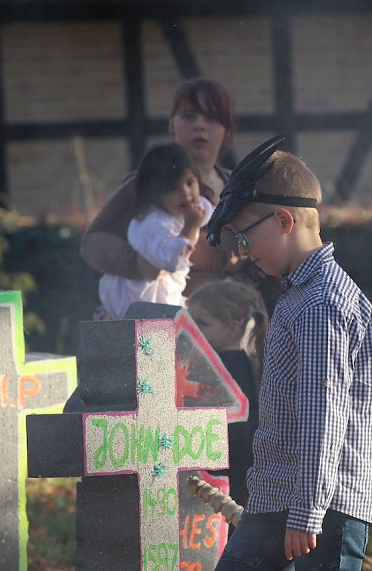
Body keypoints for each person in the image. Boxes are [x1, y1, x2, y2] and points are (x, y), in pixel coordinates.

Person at [207, 136, 372, 571]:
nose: (243, 252)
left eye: (245, 236)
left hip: (321, 506)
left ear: (284, 220)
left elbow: (321, 412)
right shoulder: (298, 295)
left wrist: (308, 511)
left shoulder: (320, 304)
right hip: (281, 495)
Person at [81, 78, 265, 300]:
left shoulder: (243, 190)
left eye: (212, 118)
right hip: (162, 318)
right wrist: (139, 264)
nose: (200, 125)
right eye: (189, 116)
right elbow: (93, 241)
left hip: (230, 321)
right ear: (171, 124)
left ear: (227, 129)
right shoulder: (145, 184)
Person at [97, 143, 210, 319]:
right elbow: (170, 261)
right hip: (142, 302)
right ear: (154, 193)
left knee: (183, 326)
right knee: (152, 344)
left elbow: (210, 210)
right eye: (173, 188)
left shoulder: (186, 208)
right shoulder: (152, 223)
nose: (185, 193)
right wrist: (190, 229)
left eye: (190, 183)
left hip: (166, 295)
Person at [188, 279, 268, 507]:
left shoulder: (227, 367)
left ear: (234, 326)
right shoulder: (246, 362)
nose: (193, 331)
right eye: (190, 322)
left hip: (231, 475)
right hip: (238, 474)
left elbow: (240, 432)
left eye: (202, 323)